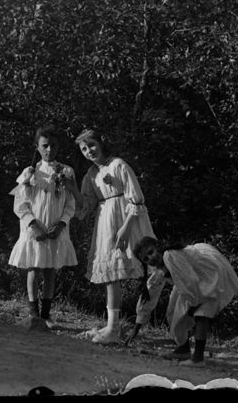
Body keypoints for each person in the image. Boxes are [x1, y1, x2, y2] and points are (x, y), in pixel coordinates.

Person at [75, 128, 156, 344]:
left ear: (101, 143)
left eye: (91, 145)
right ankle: (112, 326)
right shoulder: (91, 175)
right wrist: (67, 188)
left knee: (152, 271)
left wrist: (126, 228)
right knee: (110, 275)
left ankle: (117, 327)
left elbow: (137, 199)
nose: (89, 151)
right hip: (105, 224)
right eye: (84, 149)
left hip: (125, 221)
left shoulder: (118, 165)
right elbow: (84, 207)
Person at [124, 236, 238, 364]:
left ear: (158, 247)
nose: (151, 258)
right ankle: (183, 349)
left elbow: (190, 281)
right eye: (146, 259)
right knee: (173, 312)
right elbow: (150, 294)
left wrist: (193, 305)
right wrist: (136, 328)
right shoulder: (159, 270)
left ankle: (198, 358)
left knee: (201, 313)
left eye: (151, 252)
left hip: (210, 272)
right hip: (191, 281)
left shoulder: (170, 256)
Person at [8, 125, 79, 330]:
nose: (49, 150)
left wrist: (61, 224)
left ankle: (47, 314)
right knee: (34, 268)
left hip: (55, 229)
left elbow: (70, 204)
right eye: (45, 146)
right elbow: (20, 204)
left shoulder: (65, 172)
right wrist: (33, 225)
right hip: (35, 230)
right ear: (37, 147)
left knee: (49, 270)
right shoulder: (30, 173)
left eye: (53, 145)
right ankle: (33, 313)